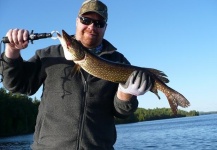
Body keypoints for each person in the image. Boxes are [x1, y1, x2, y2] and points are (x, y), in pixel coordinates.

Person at [0, 0, 152, 149]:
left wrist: (126, 95)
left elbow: (122, 112)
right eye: (86, 20)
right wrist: (12, 52)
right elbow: (17, 84)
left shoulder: (119, 61)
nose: (92, 27)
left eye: (99, 23)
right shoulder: (49, 55)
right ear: (77, 21)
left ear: (105, 28)